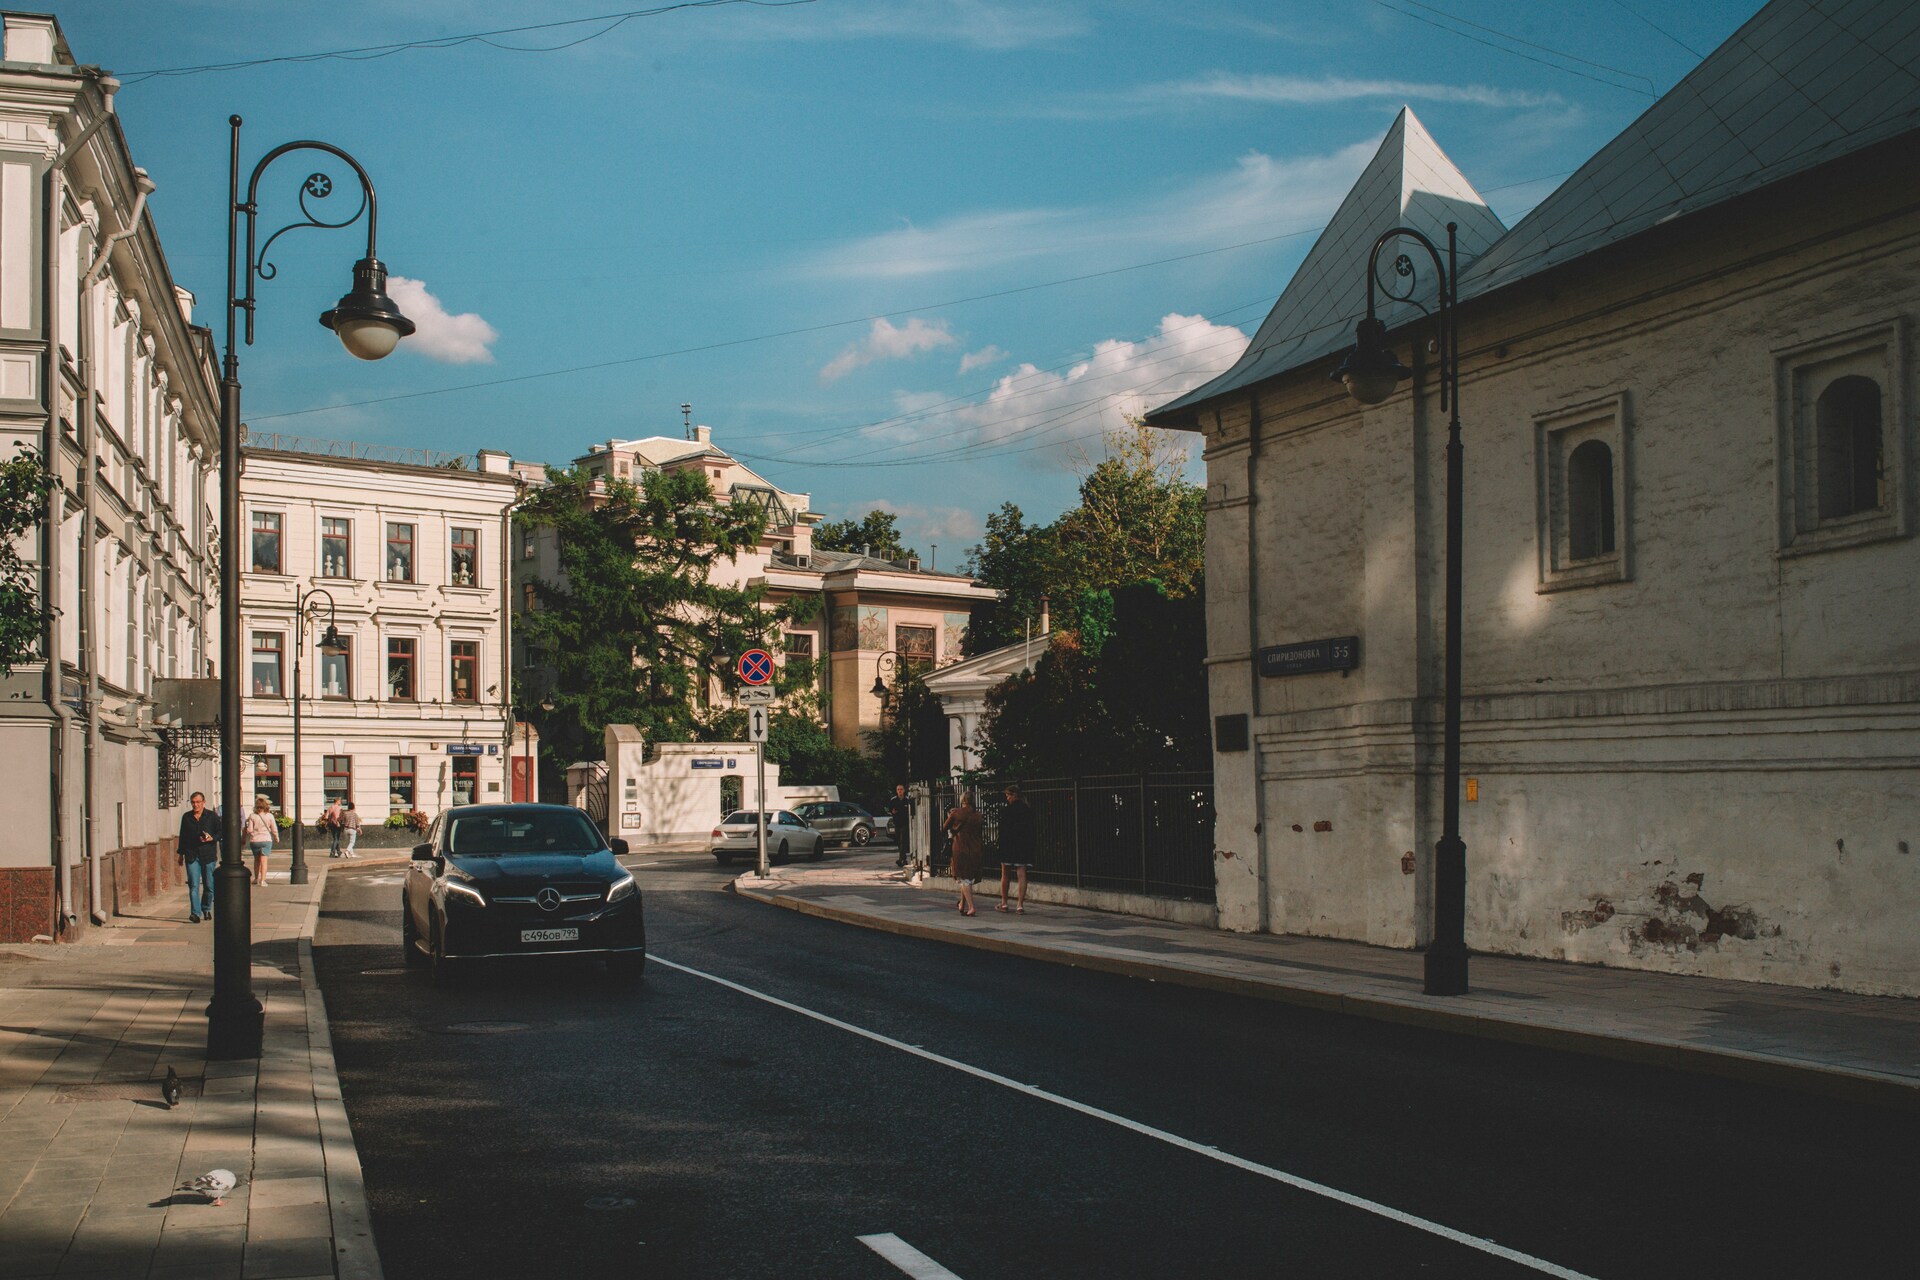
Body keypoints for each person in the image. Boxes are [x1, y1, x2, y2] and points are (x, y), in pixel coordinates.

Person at [176, 791, 219, 923]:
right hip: (192, 855)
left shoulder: (212, 816)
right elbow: (182, 836)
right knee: (193, 885)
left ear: (203, 802)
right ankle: (195, 913)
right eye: (193, 802)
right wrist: (180, 854)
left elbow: (220, 832)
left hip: (208, 855)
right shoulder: (187, 817)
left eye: (198, 802)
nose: (195, 805)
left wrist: (212, 838)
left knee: (209, 886)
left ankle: (206, 908)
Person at [941, 790, 984, 917]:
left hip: (960, 848)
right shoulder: (978, 815)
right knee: (967, 878)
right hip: (976, 849)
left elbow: (944, 827)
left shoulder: (956, 813)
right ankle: (962, 905)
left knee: (964, 879)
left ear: (962, 800)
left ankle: (971, 907)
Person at [996, 783, 1035, 914]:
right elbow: (1031, 829)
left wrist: (1000, 844)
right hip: (1023, 845)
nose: (1007, 798)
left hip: (1008, 844)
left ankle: (1004, 903)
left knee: (1005, 873)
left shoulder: (1007, 810)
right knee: (1022, 873)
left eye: (1008, 795)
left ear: (1014, 795)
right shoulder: (1027, 809)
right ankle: (1020, 905)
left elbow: (1002, 829)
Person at [244, 796, 277, 886]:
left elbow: (250, 830)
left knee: (256, 860)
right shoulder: (270, 816)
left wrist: (247, 830)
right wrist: (276, 837)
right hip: (266, 840)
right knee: (264, 860)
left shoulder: (252, 816)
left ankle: (256, 878)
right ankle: (263, 880)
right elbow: (274, 828)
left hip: (255, 840)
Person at [887, 784, 912, 869]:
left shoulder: (907, 800)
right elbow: (890, 809)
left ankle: (902, 859)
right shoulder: (893, 800)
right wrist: (892, 811)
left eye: (901, 789)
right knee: (898, 840)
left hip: (905, 823)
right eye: (898, 789)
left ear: (904, 790)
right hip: (897, 823)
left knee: (903, 840)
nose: (900, 791)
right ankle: (902, 858)